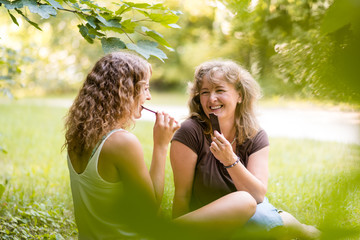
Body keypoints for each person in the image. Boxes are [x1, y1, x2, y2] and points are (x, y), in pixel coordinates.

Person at [63, 52, 256, 240]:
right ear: (125, 90)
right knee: (244, 201)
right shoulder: (122, 142)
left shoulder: (79, 136)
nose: (149, 96)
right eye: (145, 88)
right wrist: (161, 145)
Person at [170, 60, 321, 239]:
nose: (212, 99)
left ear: (239, 95)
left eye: (220, 90)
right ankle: (291, 224)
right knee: (264, 222)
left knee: (261, 218)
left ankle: (298, 228)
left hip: (252, 212)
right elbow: (182, 195)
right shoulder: (190, 131)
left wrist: (230, 160)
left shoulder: (255, 136)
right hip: (208, 218)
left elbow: (257, 195)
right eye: (205, 92)